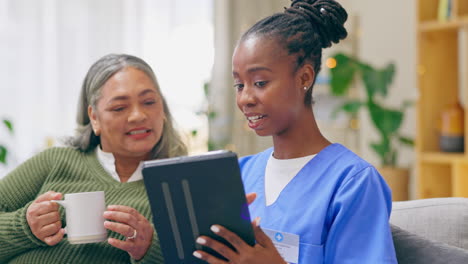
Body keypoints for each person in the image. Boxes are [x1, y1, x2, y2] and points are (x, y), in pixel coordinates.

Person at [193, 0, 398, 263]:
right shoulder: (239, 175)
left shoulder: (352, 182)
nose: (245, 98)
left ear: (304, 78)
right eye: (239, 85)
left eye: (259, 82)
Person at [0, 54, 187, 263]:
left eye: (149, 102)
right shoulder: (54, 161)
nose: (138, 116)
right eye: (119, 107)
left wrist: (149, 249)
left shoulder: (182, 187)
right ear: (94, 117)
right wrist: (23, 227)